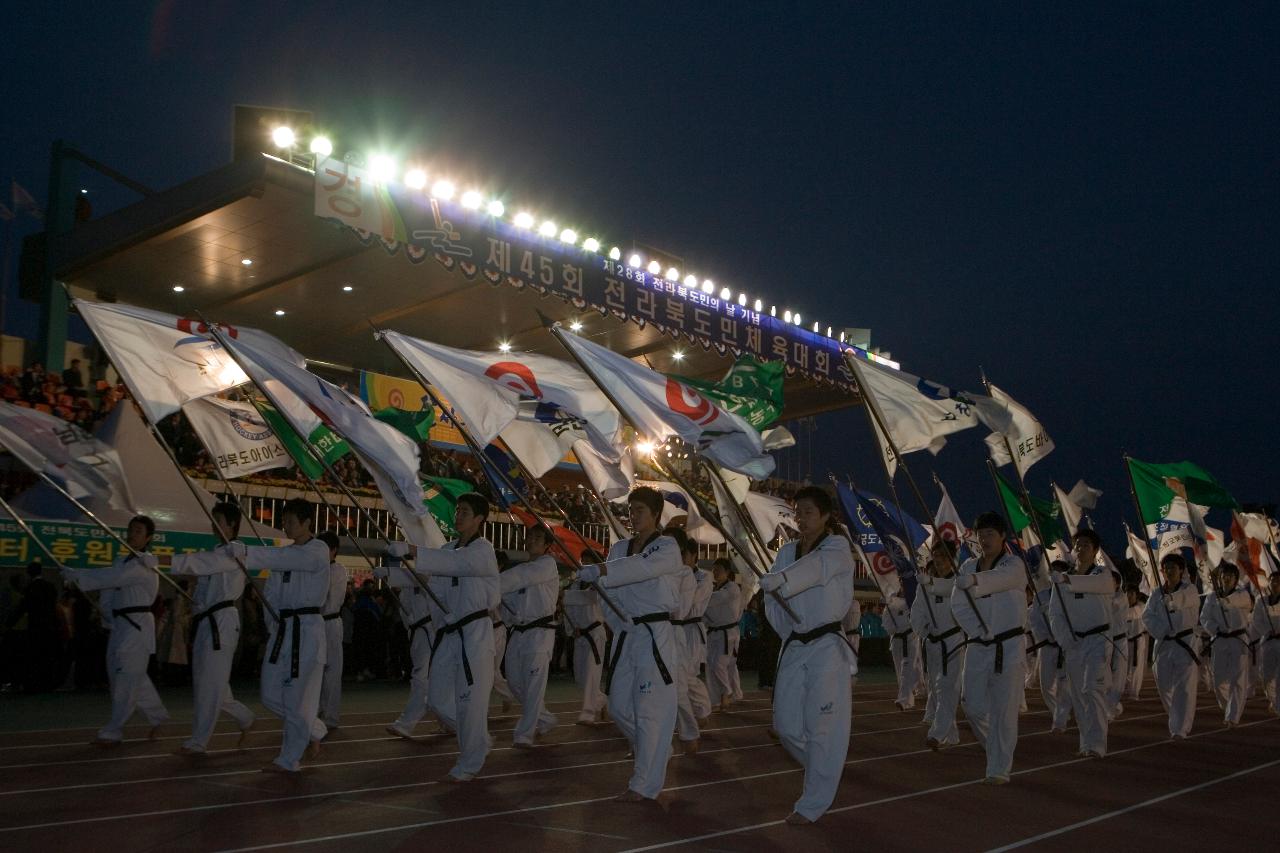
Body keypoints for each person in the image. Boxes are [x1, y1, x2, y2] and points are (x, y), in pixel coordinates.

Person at [576, 486, 683, 802]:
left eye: (639, 510)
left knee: (650, 711)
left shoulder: (667, 547)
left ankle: (644, 784)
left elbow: (640, 569)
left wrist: (602, 570)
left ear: (655, 514)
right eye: (631, 509)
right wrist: (615, 616)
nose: (633, 516)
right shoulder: (619, 548)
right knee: (620, 706)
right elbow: (609, 593)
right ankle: (658, 748)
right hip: (626, 633)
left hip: (654, 635)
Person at [758, 485, 855, 825]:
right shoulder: (786, 552)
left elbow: (816, 571)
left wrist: (781, 580)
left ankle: (813, 803)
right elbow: (773, 599)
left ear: (826, 516)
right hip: (796, 643)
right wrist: (785, 623)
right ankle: (824, 768)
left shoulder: (838, 547)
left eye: (808, 512)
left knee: (824, 728)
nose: (800, 518)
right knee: (785, 726)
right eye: (797, 512)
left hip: (828, 647)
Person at [62, 516, 171, 745]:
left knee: (126, 680)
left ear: (148, 538)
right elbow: (109, 589)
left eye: (138, 531)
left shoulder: (143, 564)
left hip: (137, 627)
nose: (132, 534)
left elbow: (111, 578)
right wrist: (107, 617)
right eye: (130, 530)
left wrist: (78, 575)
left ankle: (114, 730)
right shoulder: (122, 561)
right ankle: (158, 716)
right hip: (121, 625)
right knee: (130, 677)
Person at [414, 492, 500, 783]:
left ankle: (469, 762)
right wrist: (393, 571)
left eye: (465, 511)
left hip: (475, 635)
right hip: (450, 633)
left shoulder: (482, 550)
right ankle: (478, 738)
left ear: (479, 519)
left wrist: (415, 553)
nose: (458, 515)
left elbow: (456, 566)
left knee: (470, 702)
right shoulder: (449, 549)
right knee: (437, 699)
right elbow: (436, 584)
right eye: (458, 510)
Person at [166, 502, 256, 755]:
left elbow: (199, 563)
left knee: (209, 684)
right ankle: (245, 718)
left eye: (219, 520)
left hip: (223, 622)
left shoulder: (233, 553)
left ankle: (199, 741)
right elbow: (202, 582)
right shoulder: (216, 552)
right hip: (207, 620)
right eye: (213, 519)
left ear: (232, 525)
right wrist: (193, 601)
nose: (214, 525)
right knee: (211, 682)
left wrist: (163, 560)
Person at [951, 511, 1028, 785]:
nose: (985, 539)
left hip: (1008, 645)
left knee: (1005, 711)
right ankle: (995, 748)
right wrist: (977, 629)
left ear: (1002, 536)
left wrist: (974, 582)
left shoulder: (1014, 565)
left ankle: (999, 767)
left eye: (990, 534)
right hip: (978, 643)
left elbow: (1001, 579)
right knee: (972, 705)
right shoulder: (968, 566)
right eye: (981, 534)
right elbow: (958, 605)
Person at [1049, 530, 1114, 758]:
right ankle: (1086, 742)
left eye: (1087, 545)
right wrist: (1065, 639)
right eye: (1077, 544)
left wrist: (1067, 580)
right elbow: (1055, 613)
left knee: (1092, 690)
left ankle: (1097, 744)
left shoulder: (1102, 574)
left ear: (1095, 550)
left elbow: (1105, 585)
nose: (1081, 548)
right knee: (1077, 695)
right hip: (1074, 642)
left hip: (1098, 640)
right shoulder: (1062, 579)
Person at [499, 524, 560, 748]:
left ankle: (524, 734)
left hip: (540, 633)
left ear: (547, 545)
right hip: (519, 632)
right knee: (515, 683)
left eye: (538, 537)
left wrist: (491, 582)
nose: (532, 540)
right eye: (530, 536)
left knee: (533, 685)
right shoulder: (521, 571)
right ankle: (545, 718)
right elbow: (510, 604)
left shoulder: (547, 565)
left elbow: (520, 578)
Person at [380, 543, 436, 739]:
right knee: (435, 682)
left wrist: (390, 572)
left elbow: (419, 578)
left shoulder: (429, 575)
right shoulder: (407, 584)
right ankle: (451, 721)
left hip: (428, 632)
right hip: (415, 635)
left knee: (420, 678)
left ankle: (406, 723)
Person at [1141, 554, 1201, 738]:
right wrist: (1161, 630)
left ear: (1181, 570)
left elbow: (1183, 599)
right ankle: (1176, 716)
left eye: (1173, 567)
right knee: (1164, 685)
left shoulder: (1190, 589)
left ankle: (1180, 729)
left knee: (1184, 687)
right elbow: (1147, 616)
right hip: (1164, 643)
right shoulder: (1156, 593)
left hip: (1185, 644)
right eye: (1166, 568)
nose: (1169, 571)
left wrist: (1171, 600)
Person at [913, 540, 965, 749]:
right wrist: (923, 630)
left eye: (944, 557)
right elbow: (917, 611)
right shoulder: (925, 585)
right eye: (936, 557)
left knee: (947, 687)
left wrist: (929, 584)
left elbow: (950, 591)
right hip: (932, 641)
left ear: (953, 559)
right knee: (935, 689)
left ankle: (937, 733)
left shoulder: (959, 583)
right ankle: (951, 734)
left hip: (953, 641)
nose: (940, 561)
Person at [667, 527, 712, 754]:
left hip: (690, 629)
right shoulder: (667, 572)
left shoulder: (703, 577)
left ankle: (700, 712)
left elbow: (690, 605)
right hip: (668, 630)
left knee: (686, 677)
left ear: (692, 555)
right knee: (680, 679)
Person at [1200, 562, 1253, 726]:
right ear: (1220, 578)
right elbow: (1204, 618)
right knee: (1219, 681)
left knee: (1238, 679)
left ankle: (1232, 716)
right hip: (1220, 640)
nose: (1227, 578)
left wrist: (1225, 600)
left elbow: (1238, 602)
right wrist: (1214, 628)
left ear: (1236, 579)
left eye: (1230, 576)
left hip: (1238, 641)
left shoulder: (1243, 595)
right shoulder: (1211, 597)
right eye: (1224, 576)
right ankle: (1228, 707)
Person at [562, 562, 608, 726]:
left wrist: (564, 595)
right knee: (580, 677)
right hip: (580, 635)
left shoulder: (600, 584)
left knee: (591, 674)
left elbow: (590, 598)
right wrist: (571, 628)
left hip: (595, 634)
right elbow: (568, 609)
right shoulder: (573, 586)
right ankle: (601, 700)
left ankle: (588, 713)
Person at [1027, 571, 1071, 733]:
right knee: (1046, 685)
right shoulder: (1041, 596)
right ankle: (1057, 712)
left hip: (1065, 646)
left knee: (1064, 685)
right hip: (1047, 646)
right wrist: (1045, 636)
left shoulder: (1071, 594)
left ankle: (1060, 719)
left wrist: (1063, 636)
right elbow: (1034, 619)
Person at [7, 561, 59, 693]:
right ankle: (47, 684)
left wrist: (9, 624)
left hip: (35, 627)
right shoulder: (50, 586)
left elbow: (22, 608)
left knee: (34, 657)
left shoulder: (30, 588)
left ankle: (34, 684)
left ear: (29, 573)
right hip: (50, 627)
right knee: (47, 656)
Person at [317, 531, 348, 734]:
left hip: (331, 622)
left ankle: (330, 716)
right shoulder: (319, 569)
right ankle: (316, 712)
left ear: (333, 551)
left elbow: (327, 598)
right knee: (315, 670)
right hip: (316, 623)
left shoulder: (338, 570)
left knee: (332, 672)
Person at [704, 557, 743, 712]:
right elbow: (706, 611)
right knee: (719, 665)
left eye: (719, 569)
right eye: (714, 569)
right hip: (714, 632)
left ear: (727, 572)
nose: (715, 572)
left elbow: (716, 600)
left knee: (720, 664)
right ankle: (722, 697)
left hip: (729, 633)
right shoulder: (713, 590)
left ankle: (727, 692)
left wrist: (701, 595)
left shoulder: (732, 588)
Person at [882, 587, 921, 711]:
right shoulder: (890, 605)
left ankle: (905, 700)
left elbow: (916, 618)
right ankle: (915, 686)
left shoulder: (912, 601)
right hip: (896, 640)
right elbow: (886, 623)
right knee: (900, 670)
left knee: (907, 668)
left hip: (910, 638)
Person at [1251, 569, 1280, 716]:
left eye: (1278, 581)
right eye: (1273, 580)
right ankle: (1274, 701)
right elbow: (1256, 620)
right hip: (1268, 641)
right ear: (1268, 582)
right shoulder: (1260, 600)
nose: (1275, 583)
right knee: (1267, 677)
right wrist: (1267, 631)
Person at [1123, 586, 1149, 701]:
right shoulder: (1123, 607)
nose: (1128, 596)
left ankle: (1134, 692)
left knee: (1136, 667)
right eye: (1127, 594)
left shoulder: (1141, 607)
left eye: (1131, 594)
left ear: (1136, 595)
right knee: (1124, 666)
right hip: (1125, 641)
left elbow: (1131, 614)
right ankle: (1125, 687)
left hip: (1138, 640)